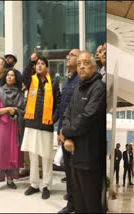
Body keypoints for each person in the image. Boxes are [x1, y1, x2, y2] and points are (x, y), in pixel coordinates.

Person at [59, 51, 106, 213]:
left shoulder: (99, 87)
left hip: (89, 157)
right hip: (73, 153)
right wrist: (67, 138)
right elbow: (67, 114)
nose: (81, 67)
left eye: (85, 63)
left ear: (94, 66)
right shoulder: (78, 88)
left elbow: (87, 117)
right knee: (78, 201)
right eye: (79, 64)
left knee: (90, 202)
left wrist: (66, 132)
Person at [21, 51, 61, 200]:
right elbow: (24, 75)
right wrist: (30, 61)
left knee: (45, 157)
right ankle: (34, 184)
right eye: (37, 64)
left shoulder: (54, 83)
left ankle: (46, 186)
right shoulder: (30, 80)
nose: (39, 66)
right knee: (33, 156)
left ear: (46, 67)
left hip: (46, 125)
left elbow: (59, 103)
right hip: (31, 123)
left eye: (42, 64)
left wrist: (54, 118)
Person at [0, 68, 25, 195]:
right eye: (7, 75)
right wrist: (8, 109)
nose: (9, 77)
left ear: (15, 78)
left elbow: (22, 109)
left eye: (12, 75)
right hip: (2, 126)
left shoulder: (19, 93)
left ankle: (10, 179)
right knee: (0, 152)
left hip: (15, 126)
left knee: (13, 151)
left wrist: (15, 110)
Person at [57, 48, 80, 213]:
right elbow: (63, 109)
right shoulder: (67, 80)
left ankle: (75, 203)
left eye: (71, 55)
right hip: (64, 132)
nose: (67, 57)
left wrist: (69, 134)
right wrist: (59, 132)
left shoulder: (80, 81)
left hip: (73, 135)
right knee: (68, 171)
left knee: (74, 172)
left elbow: (76, 111)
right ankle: (71, 200)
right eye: (68, 55)